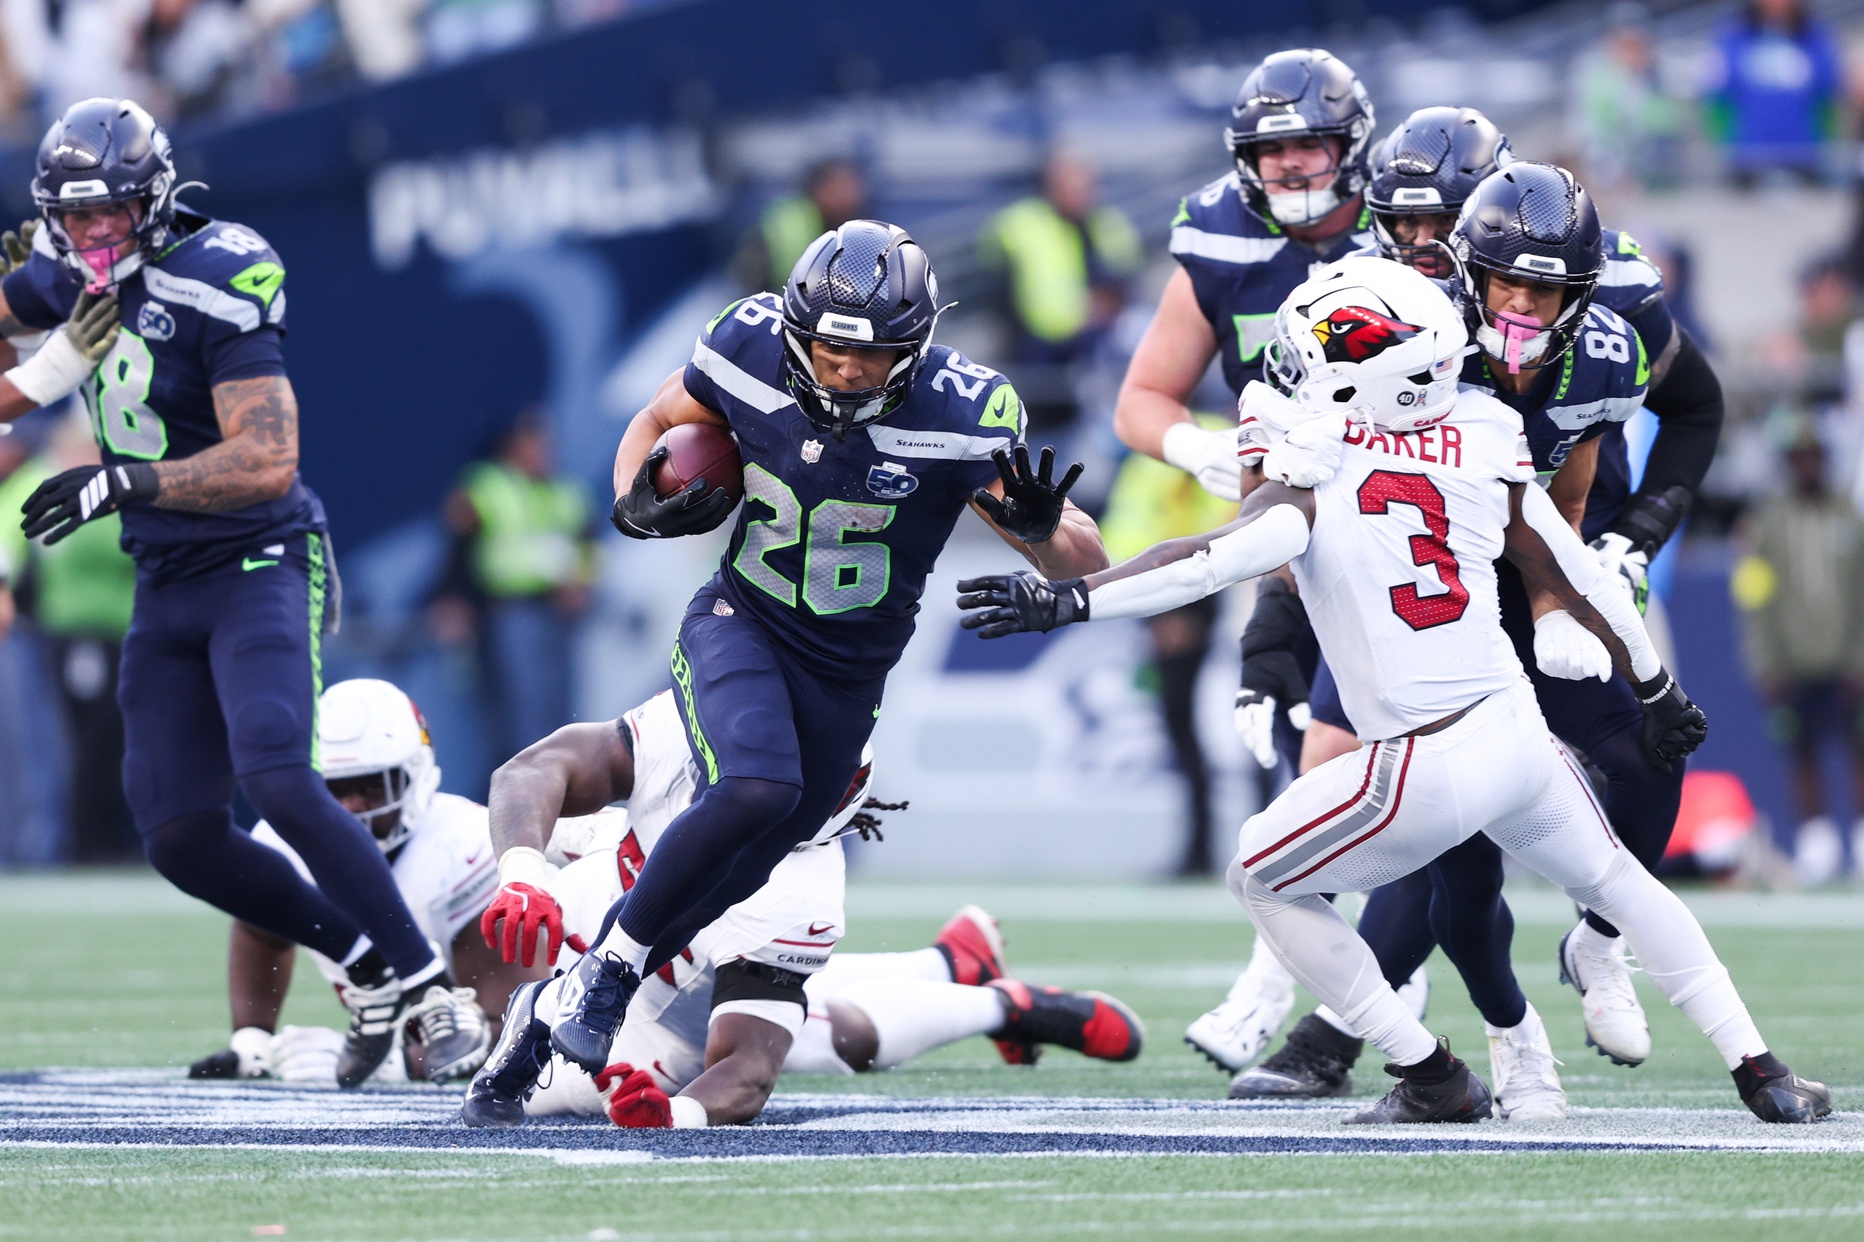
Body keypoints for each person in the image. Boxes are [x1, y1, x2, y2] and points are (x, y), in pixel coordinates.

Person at [957, 256, 1831, 1126]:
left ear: (1361, 379)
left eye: (1314, 360)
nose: (1293, 375)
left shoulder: (1316, 457)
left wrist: (1070, 600)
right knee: (1620, 885)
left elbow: (1209, 559)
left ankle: (1428, 1071)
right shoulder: (1485, 427)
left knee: (1259, 874)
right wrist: (1656, 684)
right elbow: (1575, 567)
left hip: (1423, 755)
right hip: (1513, 728)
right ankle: (1762, 1070)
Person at [477, 219, 1108, 1103]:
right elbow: (659, 420)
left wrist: (1045, 529)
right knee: (756, 787)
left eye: (872, 357)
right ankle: (609, 977)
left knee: (759, 847)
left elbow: (1085, 562)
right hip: (744, 617)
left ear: (916, 348)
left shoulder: (961, 416)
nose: (846, 371)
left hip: (851, 671)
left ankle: (585, 984)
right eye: (826, 348)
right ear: (795, 328)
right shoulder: (745, 344)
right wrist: (632, 503)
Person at [0, 98, 482, 1088]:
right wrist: (49, 361)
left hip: (258, 558)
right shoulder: (62, 278)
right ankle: (361, 964)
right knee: (177, 833)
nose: (94, 235)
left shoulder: (219, 272)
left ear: (156, 197)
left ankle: (430, 990)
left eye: (114, 213)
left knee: (275, 772)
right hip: (165, 579)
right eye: (76, 217)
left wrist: (122, 478)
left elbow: (268, 457)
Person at [466, 692, 1143, 1129]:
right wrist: (523, 873)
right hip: (601, 885)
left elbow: (748, 1068)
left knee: (822, 1035)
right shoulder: (690, 730)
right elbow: (530, 771)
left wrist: (677, 1115)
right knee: (497, 841)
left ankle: (997, 1000)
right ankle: (956, 967)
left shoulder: (800, 895)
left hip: (664, 1025)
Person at [187, 678, 528, 1085]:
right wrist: (251, 1042)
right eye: (335, 790)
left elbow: (517, 1029)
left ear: (413, 776)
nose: (351, 809)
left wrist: (398, 1064)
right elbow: (262, 932)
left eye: (370, 788)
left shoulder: (463, 847)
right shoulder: (283, 842)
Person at [1113, 47, 1376, 504]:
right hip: (1285, 497)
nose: (1289, 161)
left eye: (1309, 143)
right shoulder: (1220, 236)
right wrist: (1197, 449)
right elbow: (1141, 398)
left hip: (1411, 482)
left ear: (1350, 143)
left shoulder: (1401, 223)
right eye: (1271, 148)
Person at [0, 408, 139, 862]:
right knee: (72, 743)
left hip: (118, 632)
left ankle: (85, 841)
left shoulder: (113, 485)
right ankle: (74, 845)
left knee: (103, 742)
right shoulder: (46, 482)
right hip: (70, 632)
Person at [1734, 428, 1864, 886]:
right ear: (1789, 463)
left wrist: (1859, 656)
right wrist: (1766, 662)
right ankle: (1817, 841)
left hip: (1846, 661)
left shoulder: (1849, 515)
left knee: (1857, 747)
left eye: (1815, 456)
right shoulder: (1769, 523)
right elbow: (1755, 595)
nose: (1808, 465)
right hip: (1792, 663)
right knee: (1801, 751)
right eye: (1800, 457)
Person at [435, 408, 595, 767]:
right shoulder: (486, 488)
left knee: (562, 714)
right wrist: (453, 598)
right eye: (534, 443)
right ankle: (528, 794)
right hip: (511, 612)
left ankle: (567, 794)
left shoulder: (566, 491)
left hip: (560, 614)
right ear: (512, 447)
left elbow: (588, 543)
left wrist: (582, 584)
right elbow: (458, 547)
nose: (543, 451)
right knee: (522, 716)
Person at [979, 150, 1141, 432]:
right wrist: (1086, 311)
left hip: (1101, 342)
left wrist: (1108, 306)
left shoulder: (1107, 222)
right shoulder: (1021, 226)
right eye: (1072, 183)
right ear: (1051, 185)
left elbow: (1126, 277)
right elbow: (1031, 307)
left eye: (1087, 183)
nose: (1082, 192)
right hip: (1041, 349)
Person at [1703, 0, 1842, 188]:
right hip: (1748, 155)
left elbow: (1828, 94)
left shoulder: (1815, 37)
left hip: (1803, 153)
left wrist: (1823, 140)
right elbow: (1718, 95)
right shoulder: (1733, 37)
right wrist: (1728, 141)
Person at [733, 159, 870, 294]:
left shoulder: (863, 224)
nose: (850, 195)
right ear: (820, 189)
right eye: (840, 187)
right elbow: (750, 274)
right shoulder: (788, 220)